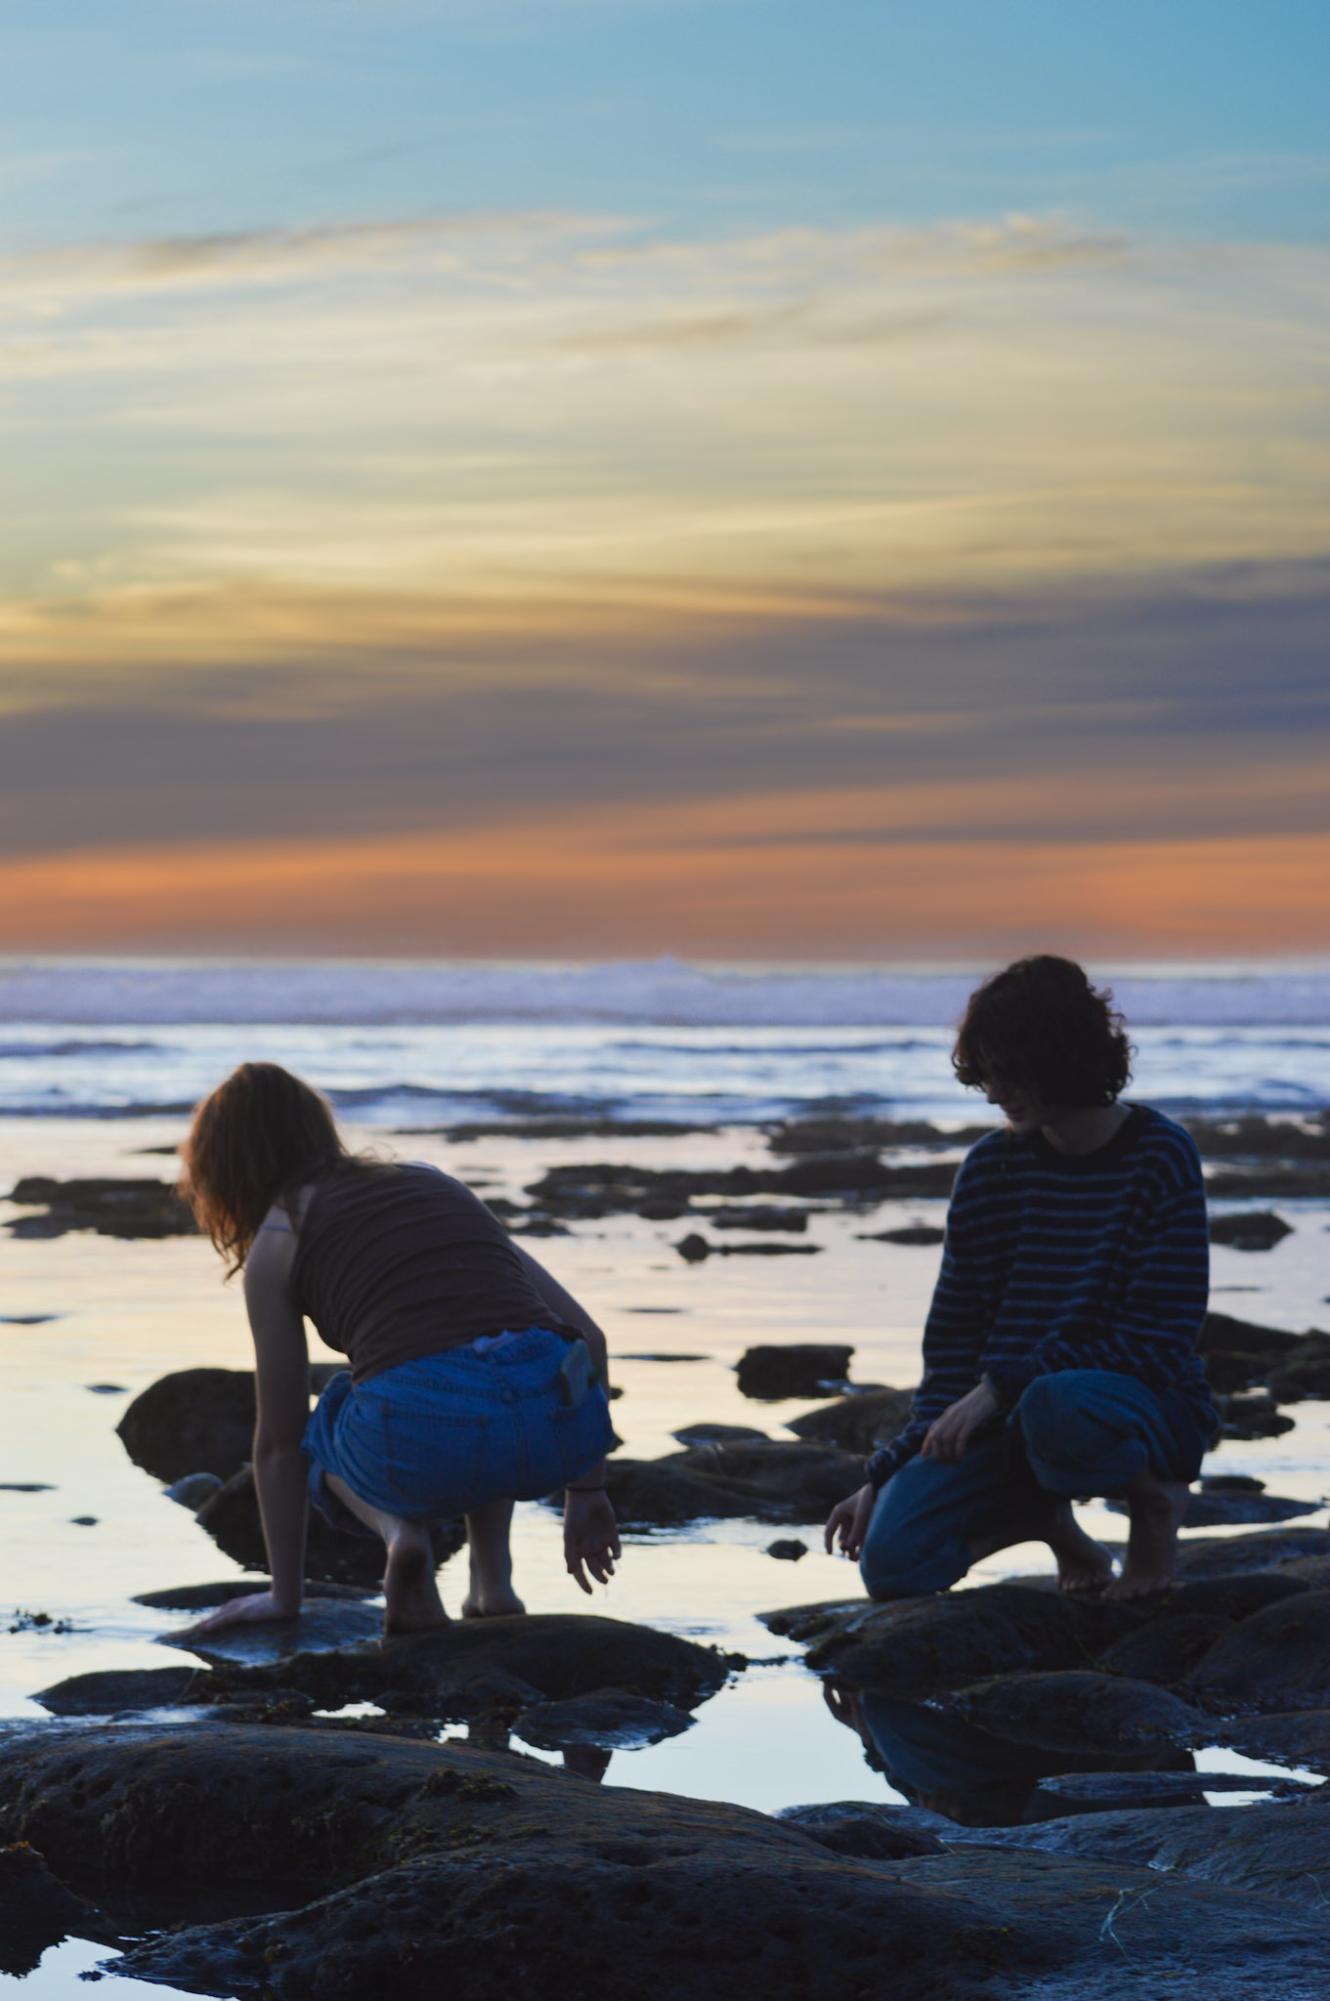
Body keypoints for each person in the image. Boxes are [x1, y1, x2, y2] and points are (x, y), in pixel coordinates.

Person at [175, 1062, 620, 1636]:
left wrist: (285, 1598)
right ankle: (493, 1584)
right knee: (489, 1355)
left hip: (425, 1433)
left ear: (224, 1165)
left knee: (332, 1413)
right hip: (553, 1431)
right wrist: (588, 1491)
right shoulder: (432, 1181)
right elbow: (588, 1338)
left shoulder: (278, 1240)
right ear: (317, 1128)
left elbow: (279, 1445)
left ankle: (401, 1537)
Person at [825, 956, 1216, 1601]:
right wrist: (886, 1472)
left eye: (1009, 1071)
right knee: (892, 1567)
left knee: (1055, 1405)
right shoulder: (989, 1169)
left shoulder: (1160, 1155)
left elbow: (1160, 1341)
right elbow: (953, 1342)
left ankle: (1154, 1505)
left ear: (1061, 1058)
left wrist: (1003, 1387)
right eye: (987, 1071)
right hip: (1013, 1412)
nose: (994, 1090)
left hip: (1138, 1406)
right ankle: (1046, 1521)